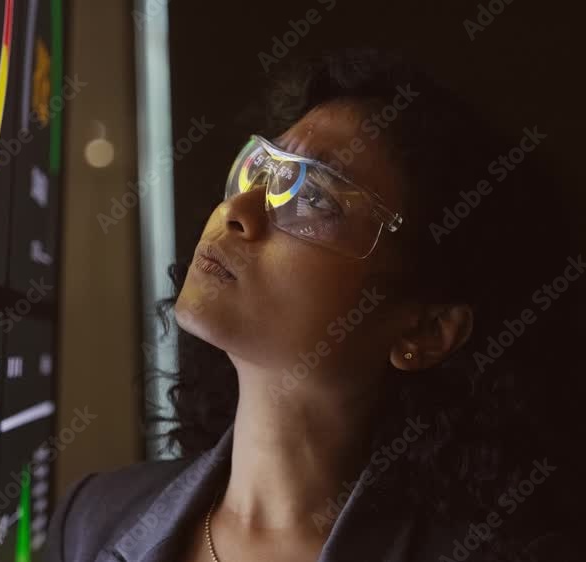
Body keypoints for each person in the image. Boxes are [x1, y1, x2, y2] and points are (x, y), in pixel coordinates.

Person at [45, 49, 584, 562]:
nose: (239, 210)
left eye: (314, 197)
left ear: (427, 330)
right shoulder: (93, 520)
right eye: (259, 170)